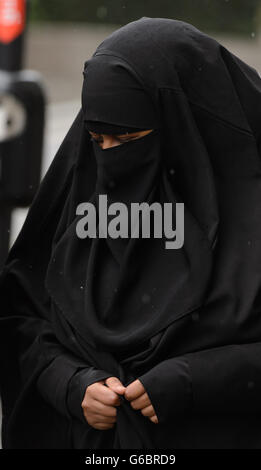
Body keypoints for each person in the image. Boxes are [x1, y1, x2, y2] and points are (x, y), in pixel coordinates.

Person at [1, 16, 261, 449]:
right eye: (98, 141)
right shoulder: (82, 198)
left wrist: (197, 380)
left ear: (182, 126)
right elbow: (19, 318)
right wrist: (70, 383)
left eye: (128, 139)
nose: (110, 160)